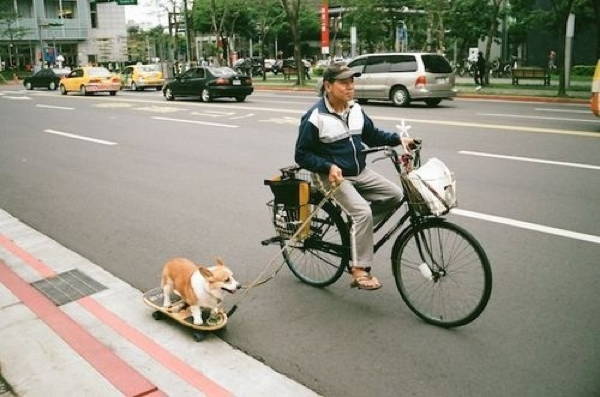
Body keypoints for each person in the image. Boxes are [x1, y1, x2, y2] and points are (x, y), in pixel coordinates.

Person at [295, 63, 415, 291]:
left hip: (359, 171)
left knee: (396, 195)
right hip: (330, 177)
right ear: (328, 86)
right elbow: (301, 154)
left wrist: (399, 140)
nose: (350, 87)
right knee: (362, 212)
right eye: (344, 83)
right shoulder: (315, 117)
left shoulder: (355, 109)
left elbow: (372, 135)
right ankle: (359, 269)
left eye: (352, 82)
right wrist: (328, 166)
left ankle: (358, 231)